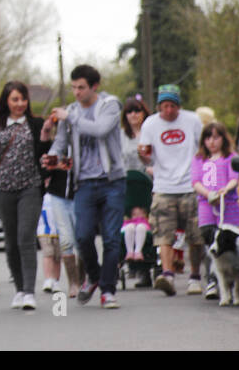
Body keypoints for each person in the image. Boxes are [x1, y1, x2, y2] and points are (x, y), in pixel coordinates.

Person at [47, 64, 124, 309]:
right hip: (84, 184)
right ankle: (94, 275)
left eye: (81, 87)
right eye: (73, 87)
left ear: (94, 86)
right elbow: (60, 143)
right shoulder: (71, 110)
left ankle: (108, 291)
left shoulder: (110, 105)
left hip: (112, 181)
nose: (77, 92)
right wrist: (51, 157)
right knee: (82, 236)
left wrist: (71, 117)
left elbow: (100, 130)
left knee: (111, 238)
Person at [0, 81, 46, 310]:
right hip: (3, 189)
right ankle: (18, 289)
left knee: (26, 237)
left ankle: (29, 292)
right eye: (15, 99)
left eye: (23, 99)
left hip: (30, 187)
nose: (20, 104)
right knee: (11, 241)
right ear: (6, 100)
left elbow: (48, 149)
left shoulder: (36, 124)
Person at [138, 84, 204, 296]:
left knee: (196, 236)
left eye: (172, 106)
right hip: (163, 185)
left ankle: (195, 276)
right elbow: (145, 154)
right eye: (164, 106)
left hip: (189, 185)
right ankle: (167, 274)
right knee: (163, 234)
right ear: (159, 106)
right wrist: (143, 156)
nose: (168, 110)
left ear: (179, 106)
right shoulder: (150, 124)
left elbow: (202, 147)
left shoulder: (192, 120)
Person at [192, 121, 239, 300]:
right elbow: (196, 181)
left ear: (223, 139)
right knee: (210, 243)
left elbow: (234, 178)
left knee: (232, 242)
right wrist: (208, 193)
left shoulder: (231, 157)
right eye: (208, 138)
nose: (211, 142)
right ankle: (212, 279)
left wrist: (225, 190)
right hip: (207, 206)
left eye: (215, 137)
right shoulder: (199, 159)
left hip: (228, 205)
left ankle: (236, 280)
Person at [37, 111, 82, 298]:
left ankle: (83, 278)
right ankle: (73, 283)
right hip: (58, 195)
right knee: (65, 240)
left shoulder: (83, 143)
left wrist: (67, 164)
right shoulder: (55, 146)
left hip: (80, 194)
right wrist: (46, 133)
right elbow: (43, 168)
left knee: (82, 238)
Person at [119, 95, 155, 288]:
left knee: (145, 222)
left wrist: (152, 168)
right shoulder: (121, 135)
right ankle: (129, 261)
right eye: (129, 111)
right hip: (126, 183)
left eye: (137, 111)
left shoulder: (149, 132)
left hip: (147, 182)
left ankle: (145, 266)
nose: (133, 115)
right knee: (128, 222)